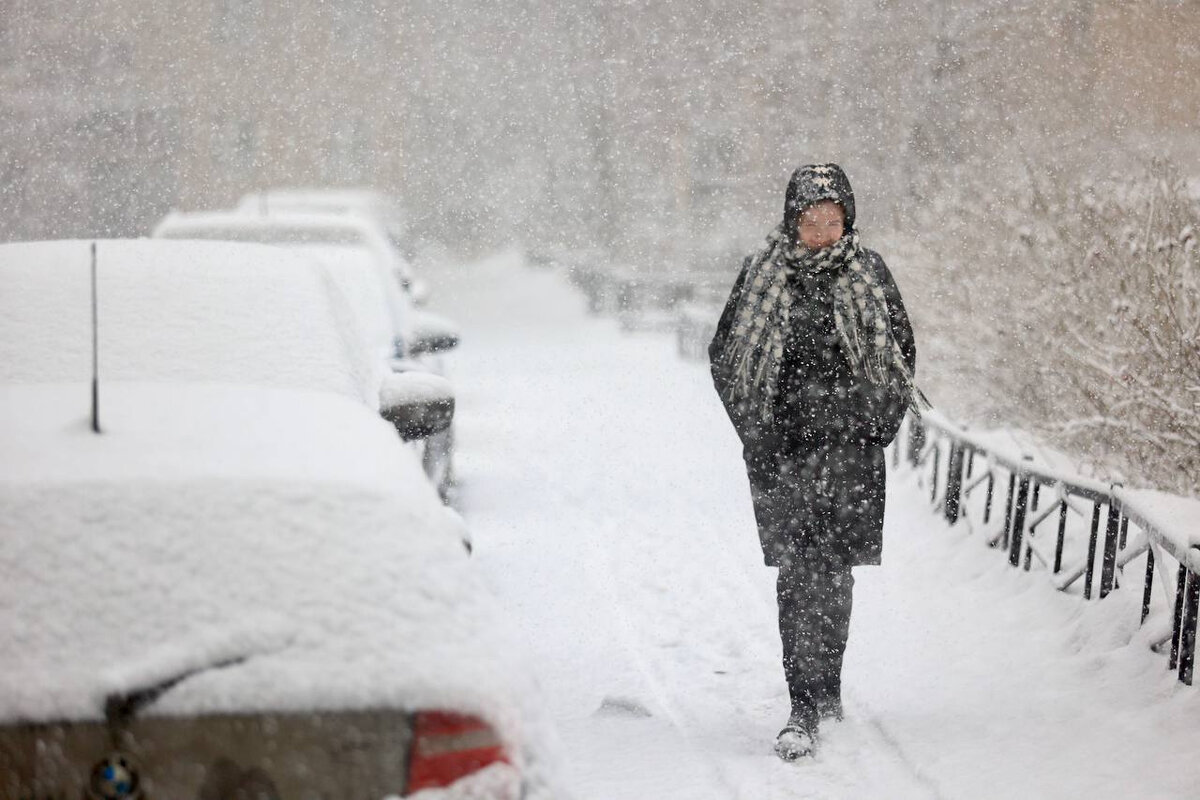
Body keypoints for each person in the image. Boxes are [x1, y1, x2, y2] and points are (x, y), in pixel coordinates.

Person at [708, 163, 923, 760]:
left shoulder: (868, 272)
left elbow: (901, 351)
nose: (823, 231)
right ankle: (801, 704)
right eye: (811, 220)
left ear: (847, 220)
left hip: (851, 454)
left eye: (833, 220)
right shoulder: (762, 274)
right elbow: (726, 355)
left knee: (834, 575)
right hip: (785, 454)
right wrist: (757, 431)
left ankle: (826, 689)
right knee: (799, 576)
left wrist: (878, 425)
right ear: (792, 221)